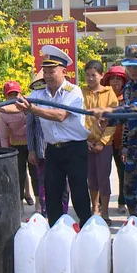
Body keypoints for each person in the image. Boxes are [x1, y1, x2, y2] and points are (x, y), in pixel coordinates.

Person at [89, 44, 137, 227]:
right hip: (133, 148)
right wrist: (109, 120)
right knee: (130, 193)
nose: (132, 70)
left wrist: (111, 111)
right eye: (129, 65)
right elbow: (127, 117)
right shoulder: (129, 88)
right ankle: (134, 229)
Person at [14, 45, 92, 227]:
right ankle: (56, 229)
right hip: (53, 151)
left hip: (75, 148)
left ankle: (87, 227)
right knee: (52, 192)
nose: (47, 76)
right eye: (45, 72)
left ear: (64, 71)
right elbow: (20, 104)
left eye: (52, 72)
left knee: (79, 190)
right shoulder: (40, 93)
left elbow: (60, 115)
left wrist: (32, 109)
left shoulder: (74, 92)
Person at [25, 70, 70, 217]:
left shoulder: (62, 98)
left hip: (60, 147)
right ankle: (45, 213)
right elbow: (30, 127)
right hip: (41, 149)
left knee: (63, 184)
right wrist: (31, 150)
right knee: (43, 183)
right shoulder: (34, 101)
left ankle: (63, 213)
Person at [82, 60, 118, 225]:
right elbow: (78, 119)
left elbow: (113, 121)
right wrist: (85, 140)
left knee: (103, 177)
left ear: (101, 75)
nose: (90, 79)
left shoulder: (109, 93)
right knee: (91, 177)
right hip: (86, 143)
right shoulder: (81, 92)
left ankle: (105, 211)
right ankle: (94, 207)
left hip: (105, 144)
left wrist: (102, 142)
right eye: (87, 75)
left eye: (93, 75)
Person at [0, 81, 35, 213]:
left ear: (20, 94)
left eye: (16, 94)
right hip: (17, 145)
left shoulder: (27, 106)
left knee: (35, 173)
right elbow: (3, 136)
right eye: (10, 95)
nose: (13, 97)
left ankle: (36, 202)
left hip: (31, 144)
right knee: (19, 173)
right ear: (5, 96)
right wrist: (5, 154)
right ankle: (19, 204)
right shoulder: (3, 112)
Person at [101, 65, 129, 214]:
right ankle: (101, 202)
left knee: (123, 173)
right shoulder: (103, 95)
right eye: (113, 78)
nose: (116, 81)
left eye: (119, 78)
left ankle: (122, 202)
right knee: (103, 173)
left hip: (121, 141)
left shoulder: (127, 97)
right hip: (104, 140)